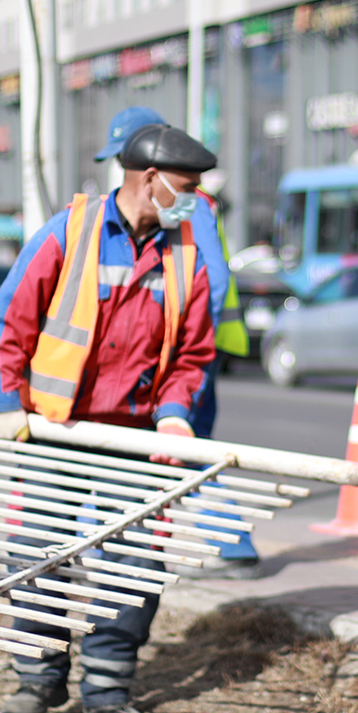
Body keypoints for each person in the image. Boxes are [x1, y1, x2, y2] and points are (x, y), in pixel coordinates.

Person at [0, 122, 218, 713]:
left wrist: (175, 411)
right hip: (56, 429)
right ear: (149, 179)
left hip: (136, 437)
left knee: (134, 565)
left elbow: (191, 354)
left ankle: (109, 688)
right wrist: (5, 399)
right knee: (38, 555)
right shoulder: (71, 231)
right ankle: (38, 678)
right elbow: (9, 318)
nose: (194, 199)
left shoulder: (184, 253)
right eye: (187, 187)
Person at [93, 108, 261, 579]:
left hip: (194, 355)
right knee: (159, 451)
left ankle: (234, 545)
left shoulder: (191, 206)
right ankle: (107, 546)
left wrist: (182, 341)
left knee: (183, 446)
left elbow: (209, 277)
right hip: (192, 351)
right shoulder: (172, 207)